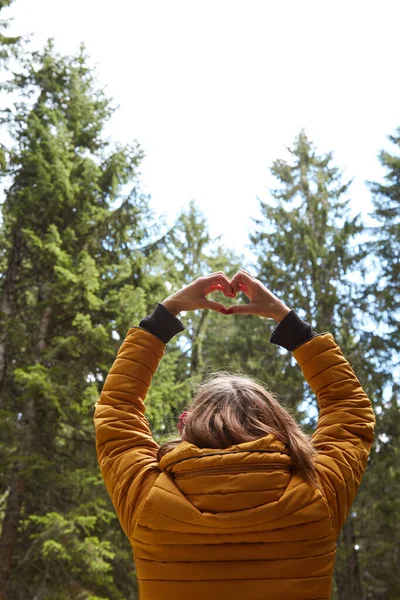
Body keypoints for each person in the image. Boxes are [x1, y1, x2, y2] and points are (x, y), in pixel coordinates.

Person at [94, 269, 375, 600]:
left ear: (189, 423)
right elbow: (350, 412)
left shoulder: (149, 499)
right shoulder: (316, 495)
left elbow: (117, 411)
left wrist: (164, 317)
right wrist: (288, 323)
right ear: (278, 424)